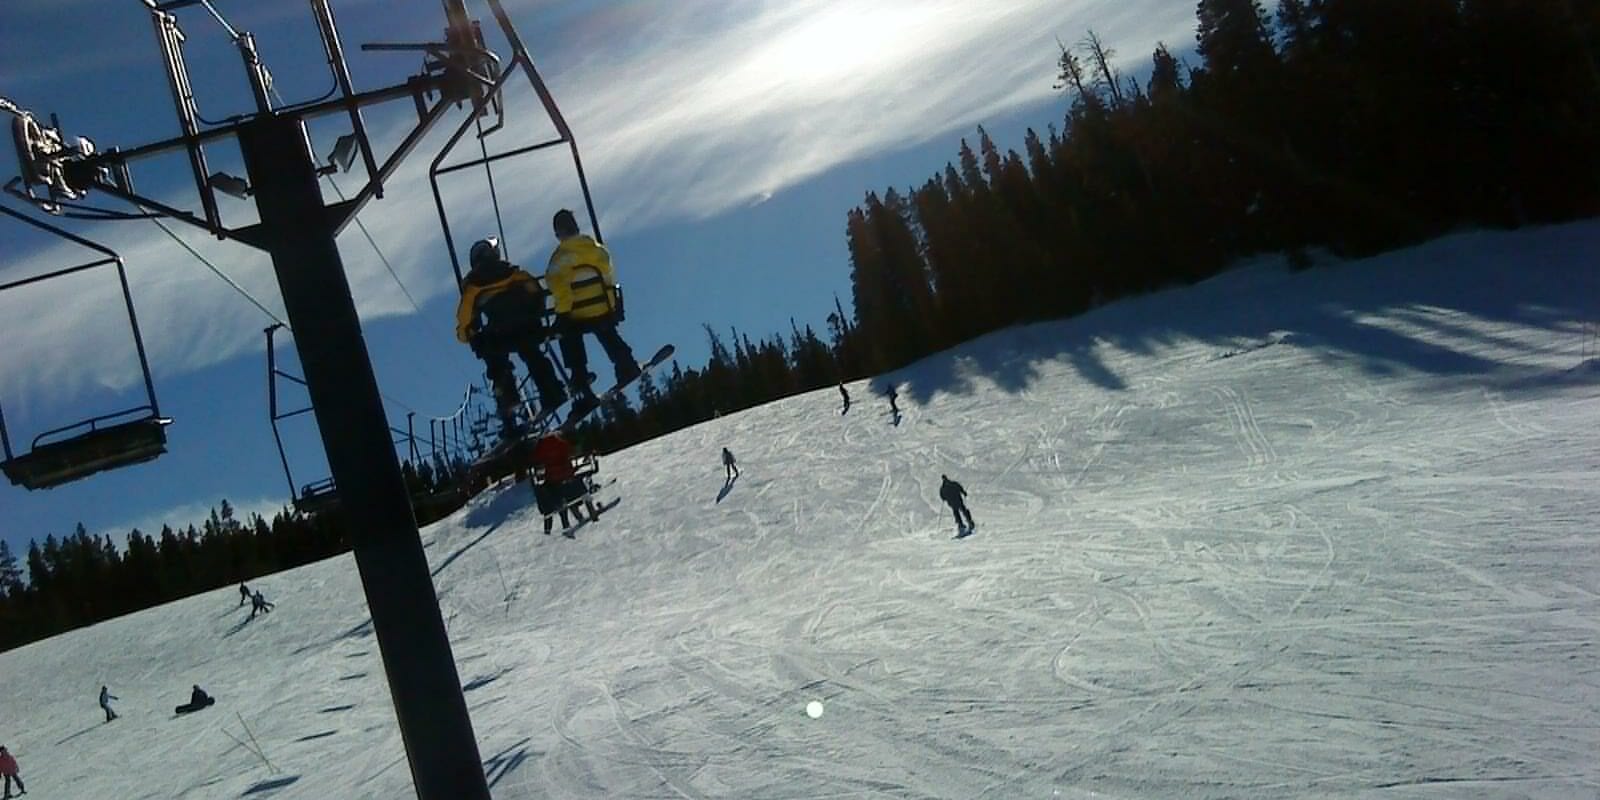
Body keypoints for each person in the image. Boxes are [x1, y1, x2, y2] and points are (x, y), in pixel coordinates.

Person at [455, 236, 568, 433]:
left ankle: (508, 404)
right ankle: (552, 391)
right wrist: (536, 313)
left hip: (500, 337)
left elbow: (465, 319)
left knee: (497, 365)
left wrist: (467, 336)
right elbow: (535, 290)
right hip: (527, 329)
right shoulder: (514, 273)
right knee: (533, 354)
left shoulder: (473, 288)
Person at [546, 209, 639, 419]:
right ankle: (625, 363)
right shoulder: (597, 250)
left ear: (558, 234)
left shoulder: (559, 260)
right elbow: (607, 274)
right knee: (605, 329)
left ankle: (579, 379)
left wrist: (563, 313)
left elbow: (559, 289)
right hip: (601, 309)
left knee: (567, 334)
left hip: (576, 315)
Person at [532, 431, 598, 536]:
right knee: (577, 486)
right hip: (567, 473)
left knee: (559, 493)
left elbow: (536, 459)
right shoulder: (560, 442)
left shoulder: (540, 447)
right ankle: (591, 508)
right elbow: (569, 450)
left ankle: (572, 518)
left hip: (554, 478)